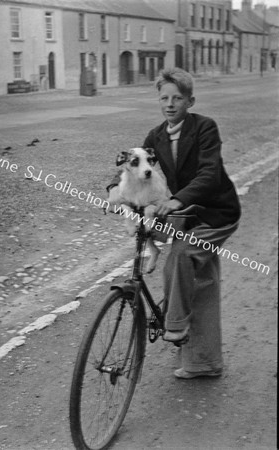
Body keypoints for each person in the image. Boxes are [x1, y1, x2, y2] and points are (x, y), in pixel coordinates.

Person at [107, 68, 241, 379]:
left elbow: (209, 174)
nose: (170, 104)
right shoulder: (155, 136)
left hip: (215, 212)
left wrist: (175, 201)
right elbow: (131, 165)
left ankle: (176, 325)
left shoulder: (206, 128)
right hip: (183, 214)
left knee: (182, 254)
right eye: (164, 98)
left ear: (190, 101)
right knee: (199, 277)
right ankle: (203, 363)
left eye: (177, 98)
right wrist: (114, 190)